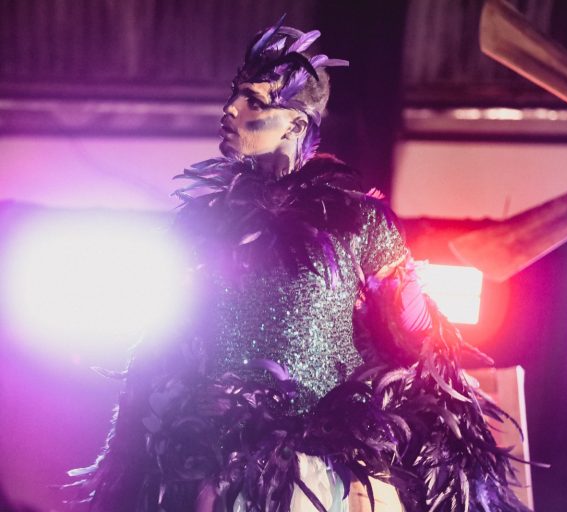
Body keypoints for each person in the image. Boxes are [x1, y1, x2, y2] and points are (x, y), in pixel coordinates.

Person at [70, 19, 528, 512]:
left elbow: (415, 337)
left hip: (325, 465)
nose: (230, 108)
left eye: (253, 101)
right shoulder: (200, 225)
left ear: (294, 124)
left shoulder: (359, 221)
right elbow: (165, 340)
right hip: (216, 463)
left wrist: (421, 350)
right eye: (234, 94)